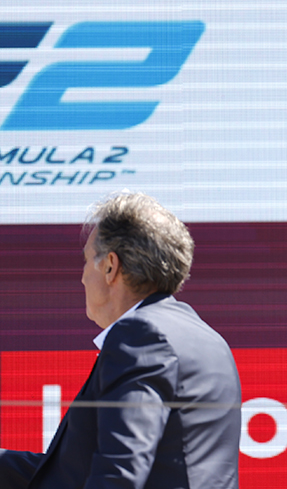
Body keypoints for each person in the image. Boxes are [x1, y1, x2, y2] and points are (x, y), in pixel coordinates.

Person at [0, 192, 242, 489]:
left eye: (86, 260)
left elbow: (119, 472)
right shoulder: (210, 340)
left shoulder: (141, 336)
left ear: (110, 266)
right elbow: (74, 473)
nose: (82, 277)